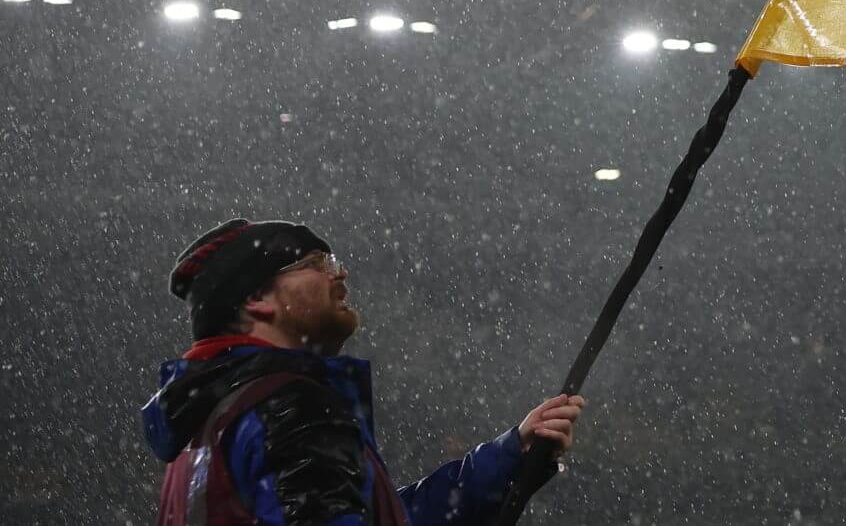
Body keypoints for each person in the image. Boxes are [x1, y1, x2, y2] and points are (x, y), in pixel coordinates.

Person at [142, 218, 584, 526]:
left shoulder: (204, 428)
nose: (340, 273)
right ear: (258, 297)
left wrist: (509, 455)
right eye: (317, 263)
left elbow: (382, 517)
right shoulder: (285, 406)